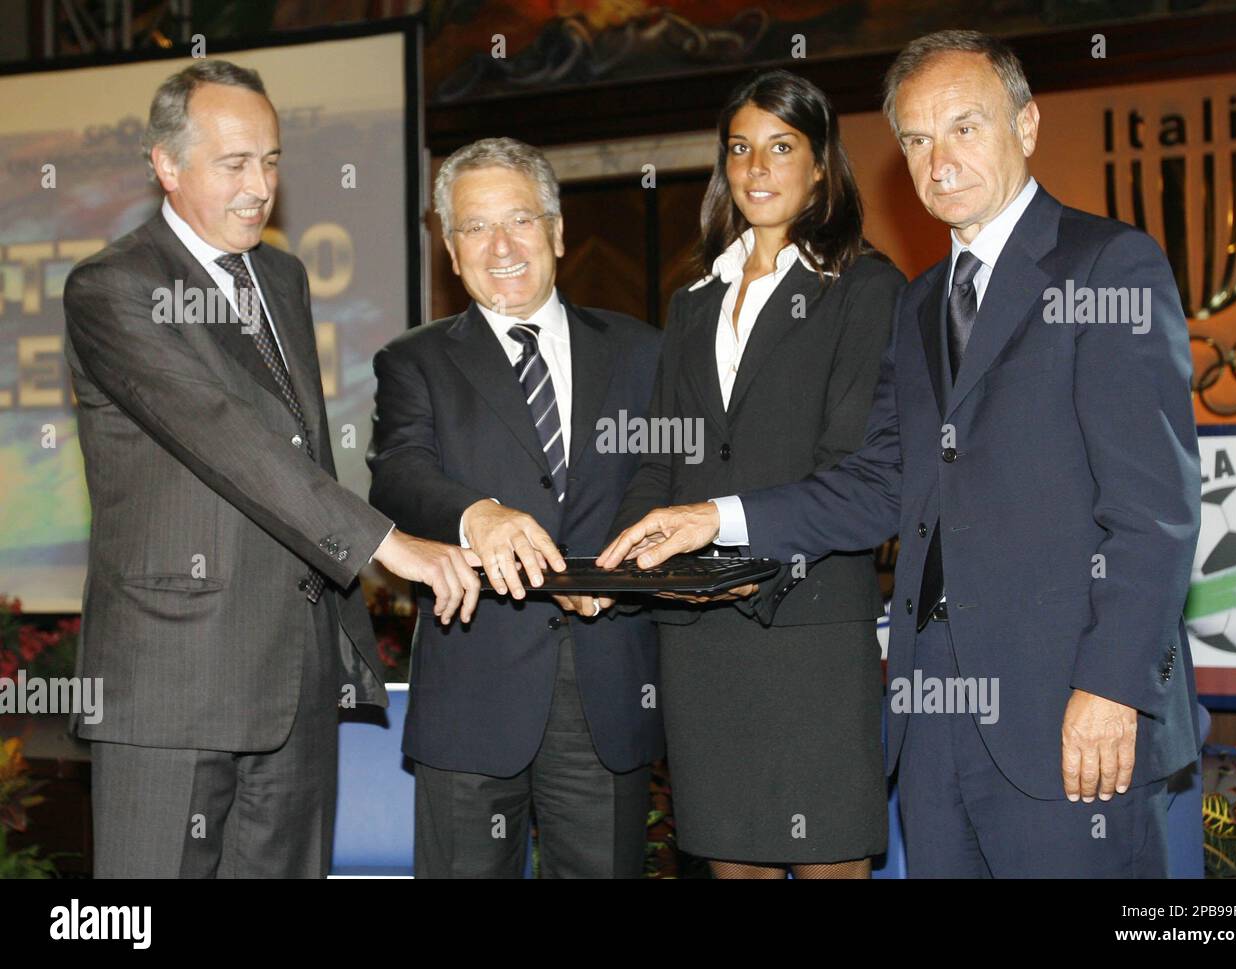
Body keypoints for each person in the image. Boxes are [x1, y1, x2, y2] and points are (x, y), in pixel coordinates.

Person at [601, 30, 1201, 878]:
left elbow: (1156, 511)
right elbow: (884, 484)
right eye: (916, 140)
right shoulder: (923, 304)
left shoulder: (1108, 265)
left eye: (964, 127)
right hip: (932, 726)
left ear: (1026, 126)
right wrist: (715, 517)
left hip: (1067, 713)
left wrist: (1111, 687)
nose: (938, 159)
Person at [63, 60, 480, 878]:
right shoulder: (114, 287)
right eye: (234, 164)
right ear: (166, 165)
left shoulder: (281, 277)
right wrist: (384, 542)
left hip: (295, 679)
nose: (260, 186)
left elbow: (302, 451)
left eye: (272, 161)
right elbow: (222, 433)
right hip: (171, 684)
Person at [598, 70, 903, 879]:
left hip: (809, 633)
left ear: (820, 165)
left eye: (782, 147)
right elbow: (661, 457)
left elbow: (864, 486)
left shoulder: (866, 290)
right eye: (741, 149)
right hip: (701, 643)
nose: (758, 168)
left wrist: (715, 521)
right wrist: (620, 557)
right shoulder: (692, 301)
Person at [367, 137, 663, 878]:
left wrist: (624, 563)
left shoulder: (643, 352)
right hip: (472, 696)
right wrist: (477, 513)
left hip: (607, 689)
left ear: (558, 232)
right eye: (475, 227)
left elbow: (664, 478)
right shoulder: (415, 360)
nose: (501, 246)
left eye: (520, 220)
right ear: (451, 251)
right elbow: (396, 474)